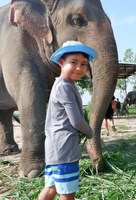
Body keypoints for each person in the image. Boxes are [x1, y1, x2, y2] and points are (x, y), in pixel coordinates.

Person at [37, 41, 96, 200]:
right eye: (73, 62)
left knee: (51, 188)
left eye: (83, 64)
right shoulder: (65, 86)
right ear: (61, 62)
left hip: (55, 148)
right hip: (65, 148)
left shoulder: (62, 84)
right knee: (67, 193)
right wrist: (90, 132)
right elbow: (76, 120)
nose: (79, 68)